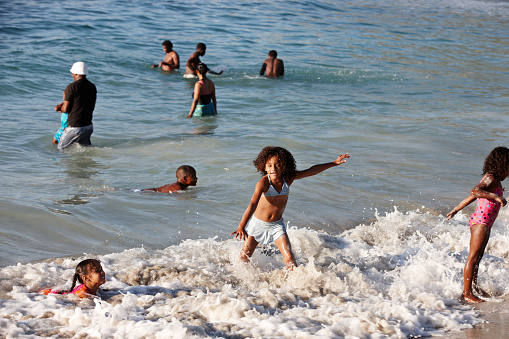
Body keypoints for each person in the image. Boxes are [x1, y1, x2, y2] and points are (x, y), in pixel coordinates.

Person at [231, 147, 350, 270]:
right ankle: (237, 281)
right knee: (244, 258)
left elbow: (311, 171)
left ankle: (296, 286)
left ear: (283, 166)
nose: (273, 169)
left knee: (289, 258)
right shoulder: (263, 183)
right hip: (258, 225)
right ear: (264, 167)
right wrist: (241, 226)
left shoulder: (287, 179)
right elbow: (252, 204)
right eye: (270, 166)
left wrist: (334, 163)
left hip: (276, 226)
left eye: (277, 165)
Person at [447, 146, 509, 303]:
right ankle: (467, 293)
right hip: (481, 222)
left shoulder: (491, 180)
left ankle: (473, 288)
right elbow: (475, 191)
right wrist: (496, 196)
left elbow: (472, 196)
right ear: (502, 165)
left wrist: (456, 208)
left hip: (485, 222)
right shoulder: (491, 179)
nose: (508, 173)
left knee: (478, 257)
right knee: (473, 257)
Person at [55, 62, 97, 150]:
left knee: (60, 150)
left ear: (76, 73)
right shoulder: (92, 87)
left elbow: (66, 109)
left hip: (74, 127)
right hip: (88, 126)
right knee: (85, 150)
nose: (72, 75)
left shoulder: (71, 87)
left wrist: (59, 108)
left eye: (73, 73)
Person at [40, 259, 106, 298]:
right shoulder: (82, 294)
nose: (102, 272)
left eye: (101, 269)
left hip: (59, 292)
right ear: (85, 278)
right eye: (98, 271)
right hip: (50, 296)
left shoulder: (95, 288)